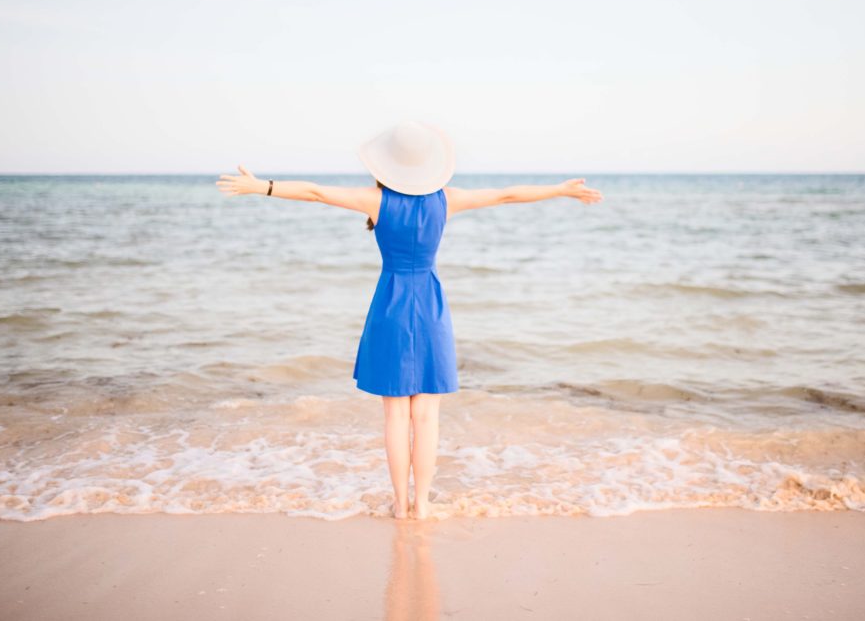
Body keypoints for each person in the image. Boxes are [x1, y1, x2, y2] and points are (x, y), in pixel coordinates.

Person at [216, 120, 604, 520]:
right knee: (427, 415)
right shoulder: (446, 200)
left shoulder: (375, 201)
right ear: (430, 166)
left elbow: (315, 193)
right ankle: (421, 507)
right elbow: (506, 195)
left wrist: (262, 186)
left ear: (387, 167)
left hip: (390, 305)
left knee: (396, 415)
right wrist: (560, 190)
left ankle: (400, 506)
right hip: (431, 305)